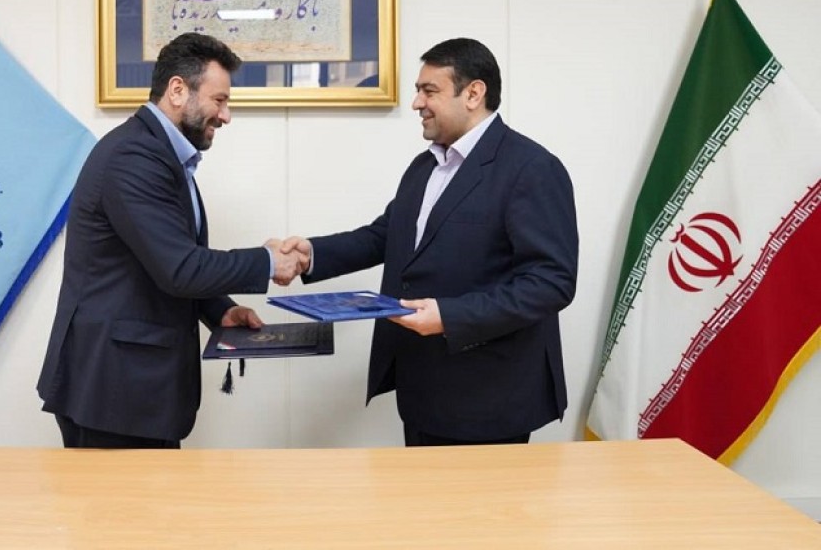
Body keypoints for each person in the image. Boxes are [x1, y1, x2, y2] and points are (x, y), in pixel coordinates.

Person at [283, 37, 578, 446]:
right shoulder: (425, 166)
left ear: (473, 93)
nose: (416, 103)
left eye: (429, 91)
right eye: (417, 90)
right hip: (422, 388)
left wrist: (449, 316)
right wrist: (312, 255)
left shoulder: (532, 168)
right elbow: (387, 235)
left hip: (490, 396)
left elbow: (551, 283)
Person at [37, 32, 305, 449]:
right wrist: (270, 261)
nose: (226, 115)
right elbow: (180, 269)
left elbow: (163, 261)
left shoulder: (160, 154)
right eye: (219, 100)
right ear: (177, 90)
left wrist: (221, 310)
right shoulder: (133, 157)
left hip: (134, 390)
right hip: (112, 391)